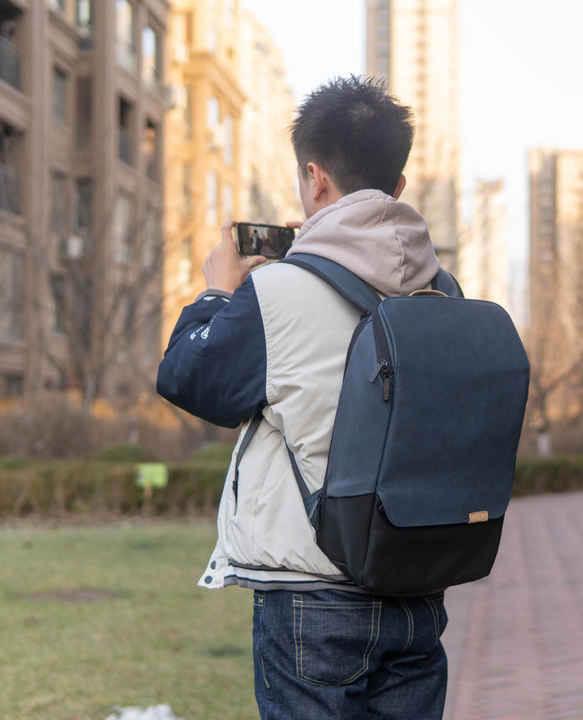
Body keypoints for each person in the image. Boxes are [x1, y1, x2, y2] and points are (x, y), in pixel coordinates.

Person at [156, 76, 447, 720]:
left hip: (312, 597)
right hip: (418, 588)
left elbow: (186, 376)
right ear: (397, 187)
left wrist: (217, 291)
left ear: (314, 179)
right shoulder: (443, 288)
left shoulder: (280, 290)